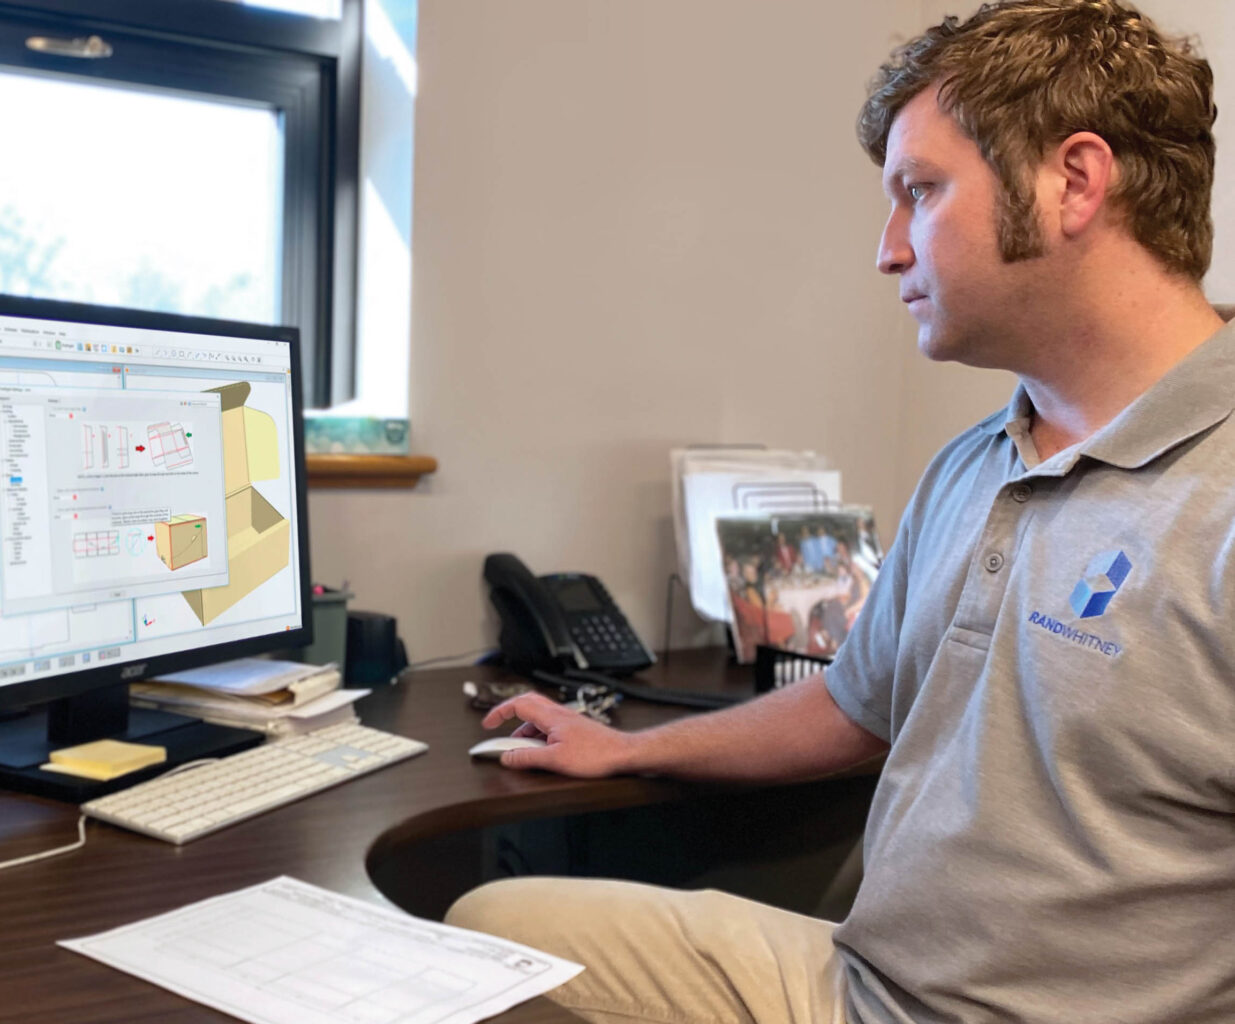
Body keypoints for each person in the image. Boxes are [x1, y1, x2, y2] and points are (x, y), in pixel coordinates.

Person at [447, 2, 1235, 1022]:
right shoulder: (976, 464)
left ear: (1074, 181)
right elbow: (852, 704)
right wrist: (629, 749)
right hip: (861, 984)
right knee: (488, 930)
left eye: (921, 192)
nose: (889, 250)